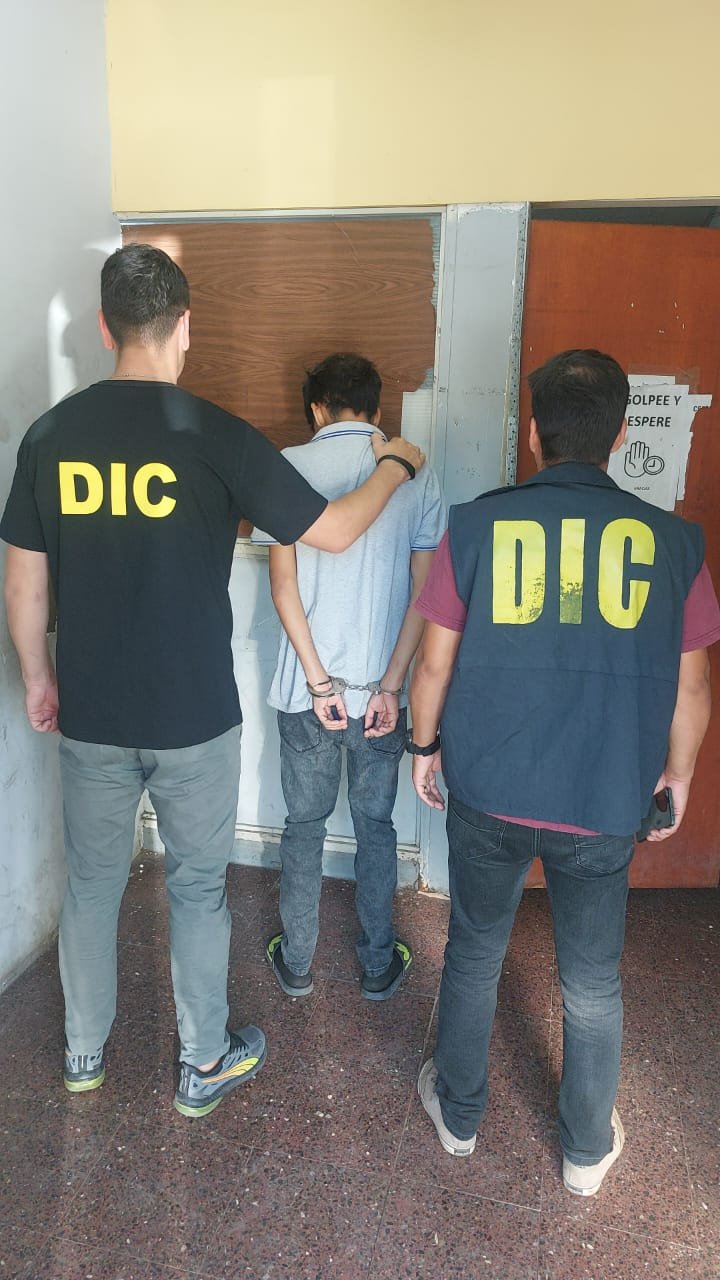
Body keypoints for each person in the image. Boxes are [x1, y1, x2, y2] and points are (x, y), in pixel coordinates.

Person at [0, 244, 424, 1118]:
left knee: (91, 885)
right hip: (194, 716)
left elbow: (23, 583)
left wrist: (39, 678)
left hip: (92, 711)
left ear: (105, 327)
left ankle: (83, 1053)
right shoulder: (217, 435)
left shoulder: (49, 436)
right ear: (184, 326)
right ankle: (202, 1062)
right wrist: (396, 464)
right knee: (196, 888)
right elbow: (336, 531)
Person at [408, 349, 720, 1194]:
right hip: (604, 797)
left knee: (474, 952)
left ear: (533, 432)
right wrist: (678, 775)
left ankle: (460, 1117)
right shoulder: (674, 543)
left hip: (490, 791)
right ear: (619, 436)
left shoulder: (477, 526)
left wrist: (423, 747)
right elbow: (693, 687)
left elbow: (434, 665)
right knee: (591, 980)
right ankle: (584, 1151)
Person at [252, 353, 446, 1000]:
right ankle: (376, 964)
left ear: (316, 409)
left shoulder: (285, 466)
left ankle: (297, 962)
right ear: (377, 407)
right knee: (376, 826)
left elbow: (283, 589)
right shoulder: (415, 472)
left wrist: (317, 683)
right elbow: (424, 594)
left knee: (303, 826)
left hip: (304, 691)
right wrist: (391, 685)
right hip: (379, 696)